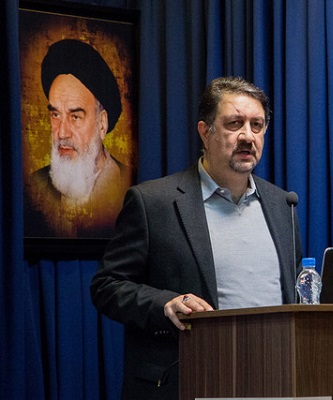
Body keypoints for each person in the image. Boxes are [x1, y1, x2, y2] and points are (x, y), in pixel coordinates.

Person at [90, 76, 303, 399]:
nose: (248, 136)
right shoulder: (153, 202)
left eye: (257, 125)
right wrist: (165, 304)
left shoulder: (282, 204)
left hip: (274, 380)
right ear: (205, 132)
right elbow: (107, 286)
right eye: (234, 124)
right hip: (188, 379)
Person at [24, 39, 132, 238]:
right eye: (55, 115)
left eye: (75, 117)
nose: (62, 133)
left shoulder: (131, 186)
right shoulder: (34, 186)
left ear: (102, 124)